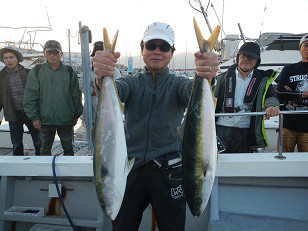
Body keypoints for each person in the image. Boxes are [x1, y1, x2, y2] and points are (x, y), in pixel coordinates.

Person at [93, 22, 219, 231]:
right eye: (151, 45)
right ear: (142, 49)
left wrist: (207, 77)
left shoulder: (178, 84)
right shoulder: (131, 83)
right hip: (131, 169)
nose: (157, 52)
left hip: (168, 171)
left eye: (164, 47)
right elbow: (114, 91)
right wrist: (101, 77)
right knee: (122, 226)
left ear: (171, 53)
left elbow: (191, 92)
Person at [214, 42, 280, 153]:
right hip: (221, 129)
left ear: (257, 62)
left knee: (242, 167)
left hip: (245, 132)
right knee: (217, 164)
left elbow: (271, 96)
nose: (246, 59)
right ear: (238, 57)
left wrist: (272, 106)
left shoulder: (263, 80)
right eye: (243, 55)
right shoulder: (221, 78)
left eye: (251, 57)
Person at [23, 40, 83, 156]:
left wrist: (76, 114)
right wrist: (34, 117)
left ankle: (68, 173)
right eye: (49, 52)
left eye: (55, 52)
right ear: (44, 53)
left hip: (66, 119)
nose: (52, 55)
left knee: (68, 149)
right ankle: (45, 174)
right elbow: (30, 96)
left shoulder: (70, 72)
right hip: (44, 119)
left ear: (61, 54)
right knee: (44, 150)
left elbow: (76, 96)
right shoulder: (36, 71)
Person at [0, 46, 42, 156]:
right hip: (13, 114)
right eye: (6, 58)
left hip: (31, 113)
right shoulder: (1, 76)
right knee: (16, 144)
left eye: (11, 57)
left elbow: (39, 94)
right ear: (3, 60)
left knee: (39, 142)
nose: (9, 60)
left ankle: (41, 165)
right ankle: (18, 169)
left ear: (17, 58)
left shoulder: (30, 73)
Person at [276, 34, 308, 152]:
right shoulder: (289, 69)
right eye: (306, 45)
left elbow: (286, 93)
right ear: (300, 50)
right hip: (288, 125)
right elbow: (279, 92)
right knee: (282, 159)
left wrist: (292, 93)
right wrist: (302, 94)